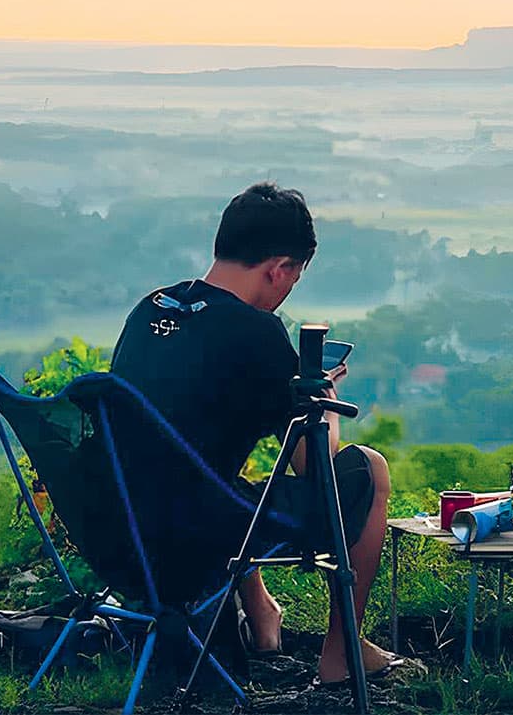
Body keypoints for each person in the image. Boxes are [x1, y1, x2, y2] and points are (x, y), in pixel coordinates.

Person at [110, 182, 401, 685]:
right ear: (280, 269)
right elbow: (315, 467)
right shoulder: (257, 333)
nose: (289, 289)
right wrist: (323, 403)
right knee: (369, 470)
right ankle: (341, 654)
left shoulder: (151, 309)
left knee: (221, 468)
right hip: (191, 535)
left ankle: (261, 613)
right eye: (295, 278)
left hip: (118, 525)